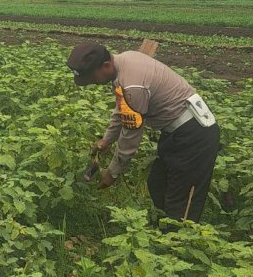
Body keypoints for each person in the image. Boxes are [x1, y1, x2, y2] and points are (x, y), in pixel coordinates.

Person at [67, 41, 220, 223]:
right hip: (176, 132)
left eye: (92, 78)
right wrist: (106, 140)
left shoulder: (133, 86)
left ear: (106, 66)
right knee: (158, 185)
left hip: (194, 135)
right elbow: (123, 110)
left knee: (181, 201)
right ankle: (163, 234)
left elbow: (131, 134)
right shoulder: (125, 60)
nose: (92, 83)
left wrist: (113, 172)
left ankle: (178, 243)